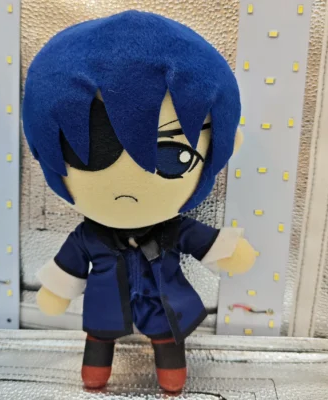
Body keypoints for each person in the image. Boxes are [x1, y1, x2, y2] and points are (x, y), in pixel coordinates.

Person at [23, 10, 256, 393]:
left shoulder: (173, 230)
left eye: (174, 155)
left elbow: (204, 241)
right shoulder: (89, 237)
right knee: (99, 337)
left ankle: (171, 378)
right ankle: (95, 374)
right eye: (87, 153)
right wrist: (56, 290)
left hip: (163, 304)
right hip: (106, 306)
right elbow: (69, 266)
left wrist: (228, 250)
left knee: (167, 337)